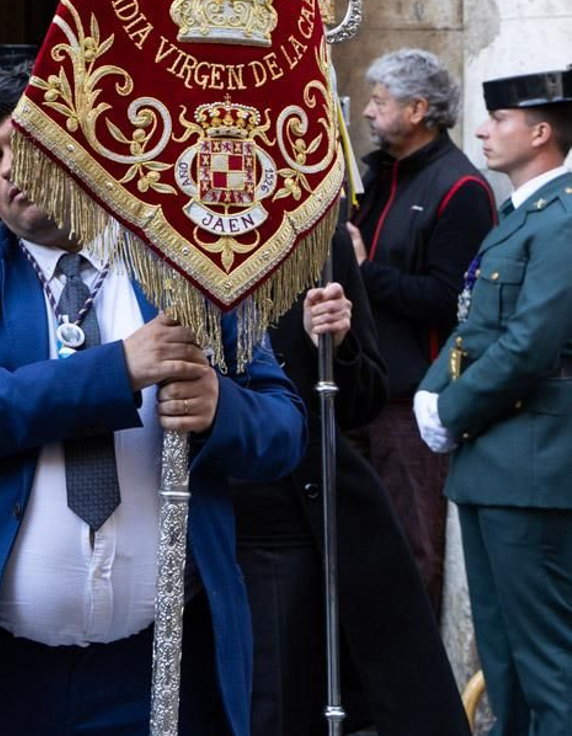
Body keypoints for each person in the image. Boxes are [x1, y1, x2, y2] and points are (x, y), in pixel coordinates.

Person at [0, 67, 307, 736]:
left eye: (28, 147)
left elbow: (285, 429)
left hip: (158, 666)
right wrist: (119, 368)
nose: (9, 170)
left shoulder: (187, 268)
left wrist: (220, 408)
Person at [232, 220, 468, 735]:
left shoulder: (318, 233)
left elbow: (364, 399)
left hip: (283, 518)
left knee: (278, 706)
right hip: (180, 512)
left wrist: (338, 344)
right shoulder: (152, 221)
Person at [416, 65, 572, 736]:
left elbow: (532, 343)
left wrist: (450, 409)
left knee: (546, 667)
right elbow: (476, 322)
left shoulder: (561, 220)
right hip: (495, 465)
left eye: (500, 119)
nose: (482, 128)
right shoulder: (521, 215)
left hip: (533, 468)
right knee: (504, 664)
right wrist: (431, 388)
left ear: (540, 132)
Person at [348, 47, 495, 610]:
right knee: (354, 548)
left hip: (410, 405)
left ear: (417, 110)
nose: (366, 112)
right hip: (361, 391)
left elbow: (448, 300)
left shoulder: (461, 189)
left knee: (412, 553)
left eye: (380, 101)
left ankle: (411, 689)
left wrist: (366, 272)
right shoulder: (378, 173)